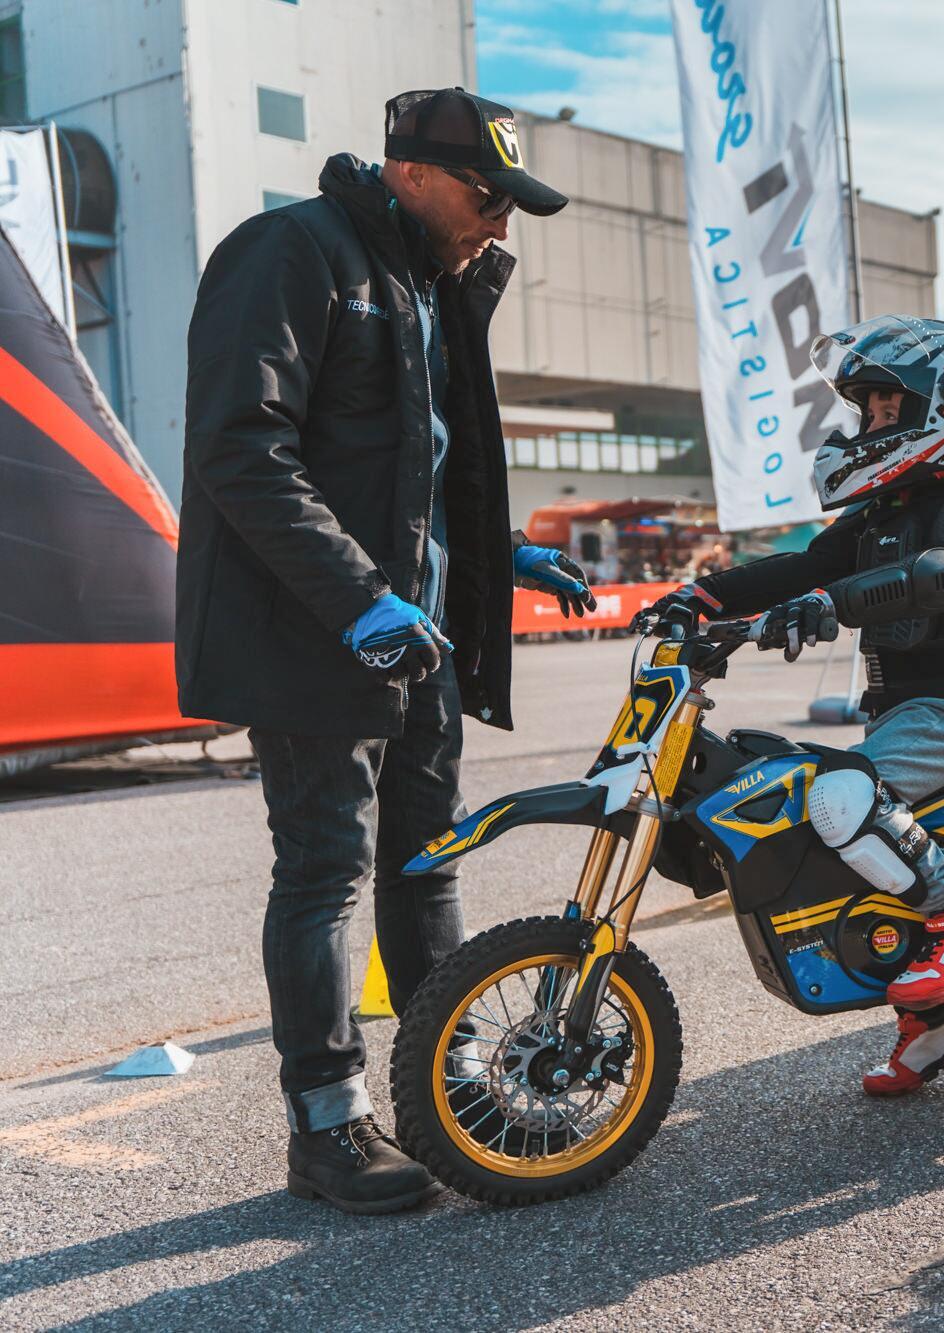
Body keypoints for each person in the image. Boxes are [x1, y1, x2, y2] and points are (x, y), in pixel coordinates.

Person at [177, 88, 592, 1214]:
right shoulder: (290, 253)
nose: (501, 223)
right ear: (410, 170)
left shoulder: (424, 284)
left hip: (420, 640)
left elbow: (415, 475)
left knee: (428, 865)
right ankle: (327, 1129)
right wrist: (361, 599)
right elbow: (239, 447)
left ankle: (442, 1091)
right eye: (487, 194)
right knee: (324, 873)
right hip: (315, 633)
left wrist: (496, 558)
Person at [637, 315, 944, 1096]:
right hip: (898, 715)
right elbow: (801, 564)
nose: (868, 424)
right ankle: (936, 1027)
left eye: (885, 410)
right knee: (802, 807)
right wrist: (700, 595)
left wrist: (829, 604)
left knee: (837, 795)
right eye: (867, 411)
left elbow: (940, 575)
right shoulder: (877, 514)